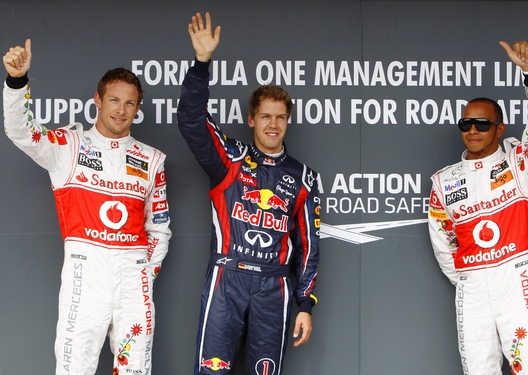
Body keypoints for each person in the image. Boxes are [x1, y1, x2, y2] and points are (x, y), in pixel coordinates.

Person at [3, 39, 171, 375]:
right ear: (97, 100)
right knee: (73, 368)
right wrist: (17, 83)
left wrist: (143, 273)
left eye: (129, 103)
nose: (121, 110)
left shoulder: (152, 159)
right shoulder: (68, 145)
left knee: (135, 368)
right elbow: (20, 131)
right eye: (113, 100)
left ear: (138, 109)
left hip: (133, 274)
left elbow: (159, 228)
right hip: (85, 270)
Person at [177, 12, 320, 375]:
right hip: (227, 278)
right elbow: (192, 120)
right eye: (266, 116)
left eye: (281, 118)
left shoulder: (303, 177)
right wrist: (201, 64)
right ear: (251, 119)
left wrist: (305, 304)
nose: (273, 125)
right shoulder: (231, 158)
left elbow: (308, 246)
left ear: (288, 121)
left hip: (275, 285)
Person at [428, 40, 528, 375]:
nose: (473, 130)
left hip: (516, 281)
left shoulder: (521, 164)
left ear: (499, 129)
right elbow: (443, 242)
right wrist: (469, 278)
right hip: (471, 288)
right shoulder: (444, 181)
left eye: (482, 124)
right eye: (466, 124)